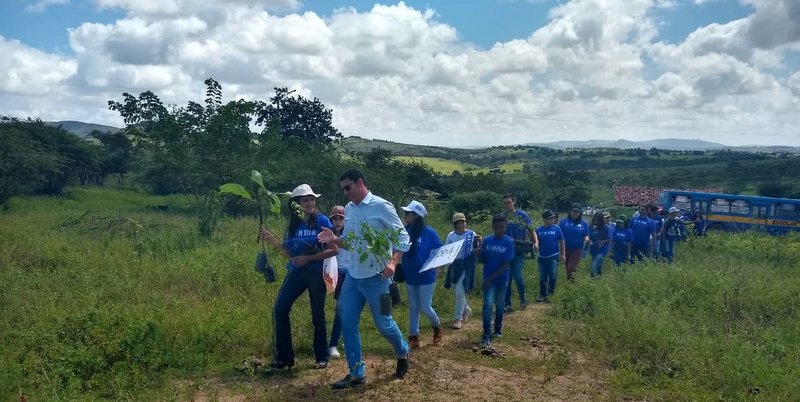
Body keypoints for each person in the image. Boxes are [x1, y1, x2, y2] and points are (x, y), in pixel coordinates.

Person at [317, 169, 411, 389]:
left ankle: (403, 352)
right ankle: (356, 373)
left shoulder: (382, 206)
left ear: (360, 183)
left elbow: (403, 236)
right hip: (353, 277)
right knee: (348, 322)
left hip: (378, 278)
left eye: (348, 187)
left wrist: (393, 261)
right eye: (343, 189)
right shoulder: (349, 209)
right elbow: (351, 243)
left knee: (384, 324)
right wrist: (335, 239)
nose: (346, 193)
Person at [259, 184, 338, 374]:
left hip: (317, 272)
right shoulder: (294, 224)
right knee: (280, 308)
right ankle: (284, 358)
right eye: (305, 200)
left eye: (311, 199)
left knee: (317, 314)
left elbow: (333, 249)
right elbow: (289, 252)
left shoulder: (322, 220)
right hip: (297, 271)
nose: (310, 203)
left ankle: (321, 357)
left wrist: (308, 259)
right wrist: (271, 239)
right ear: (296, 204)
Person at [400, 200, 444, 349]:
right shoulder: (405, 231)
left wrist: (438, 268)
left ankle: (437, 326)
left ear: (416, 216)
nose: (405, 215)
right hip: (410, 275)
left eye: (408, 213)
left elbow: (439, 250)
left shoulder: (429, 232)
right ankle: (414, 336)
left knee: (425, 306)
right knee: (413, 307)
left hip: (426, 276)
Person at [478, 213, 515, 348]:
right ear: (493, 227)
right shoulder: (487, 240)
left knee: (499, 305)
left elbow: (506, 264)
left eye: (502, 227)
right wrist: (479, 253)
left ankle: (498, 328)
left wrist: (488, 279)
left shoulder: (508, 242)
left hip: (500, 279)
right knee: (487, 306)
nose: (500, 229)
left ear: (505, 227)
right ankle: (486, 333)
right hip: (488, 278)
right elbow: (483, 259)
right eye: (497, 227)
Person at [445, 212, 481, 329]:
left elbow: (476, 248)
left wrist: (479, 246)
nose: (461, 225)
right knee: (457, 289)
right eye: (458, 223)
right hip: (455, 265)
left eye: (462, 222)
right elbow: (446, 250)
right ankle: (466, 309)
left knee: (460, 291)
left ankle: (457, 318)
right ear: (455, 225)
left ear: (466, 222)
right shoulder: (451, 236)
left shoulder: (471, 234)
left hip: (467, 265)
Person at [501, 194, 537, 312]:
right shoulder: (502, 217)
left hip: (519, 250)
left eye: (509, 202)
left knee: (517, 275)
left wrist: (535, 242)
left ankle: (523, 298)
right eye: (505, 203)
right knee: (507, 279)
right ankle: (507, 304)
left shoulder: (521, 215)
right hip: (506, 252)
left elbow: (531, 229)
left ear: (514, 202)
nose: (507, 205)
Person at [327, 205, 349, 359]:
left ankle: (336, 342)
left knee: (344, 309)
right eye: (335, 218)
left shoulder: (350, 233)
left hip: (349, 273)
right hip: (332, 272)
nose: (337, 221)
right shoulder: (328, 233)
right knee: (341, 309)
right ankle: (334, 342)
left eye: (340, 218)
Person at [535, 210, 565, 302]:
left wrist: (563, 254)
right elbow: (535, 241)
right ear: (544, 219)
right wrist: (535, 245)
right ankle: (542, 294)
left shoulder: (557, 228)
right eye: (550, 218)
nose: (552, 220)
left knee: (553, 275)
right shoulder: (538, 229)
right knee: (543, 277)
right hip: (542, 257)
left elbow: (561, 241)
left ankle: (551, 293)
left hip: (553, 256)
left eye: (553, 218)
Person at [559, 203, 589, 281]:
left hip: (577, 248)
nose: (575, 213)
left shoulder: (584, 223)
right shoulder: (563, 222)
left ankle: (570, 282)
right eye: (573, 211)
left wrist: (586, 238)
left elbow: (586, 234)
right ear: (570, 211)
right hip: (565, 248)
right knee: (567, 266)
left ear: (580, 213)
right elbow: (558, 234)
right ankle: (569, 282)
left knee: (572, 267)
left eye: (577, 212)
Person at [587, 211, 613, 277]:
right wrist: (589, 241)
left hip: (602, 249)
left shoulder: (606, 228)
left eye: (598, 219)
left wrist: (603, 241)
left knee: (595, 263)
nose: (596, 221)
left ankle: (592, 276)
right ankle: (600, 276)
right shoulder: (591, 227)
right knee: (598, 265)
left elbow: (610, 238)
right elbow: (588, 236)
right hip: (593, 249)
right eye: (595, 219)